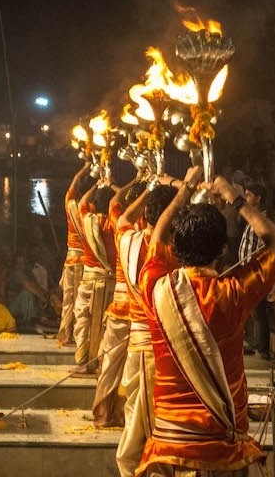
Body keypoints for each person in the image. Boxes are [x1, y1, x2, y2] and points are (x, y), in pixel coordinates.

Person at [136, 167, 275, 476]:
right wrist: (234, 198)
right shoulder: (233, 292)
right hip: (221, 449)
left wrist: (185, 189)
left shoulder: (155, 287)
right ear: (222, 248)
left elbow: (156, 235)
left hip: (169, 446)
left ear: (174, 248)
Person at [115, 182, 177, 477]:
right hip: (152, 347)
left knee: (138, 416)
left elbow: (124, 217)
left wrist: (149, 189)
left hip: (137, 343)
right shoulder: (163, 251)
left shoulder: (128, 239)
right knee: (150, 422)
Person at [92, 175, 144, 428]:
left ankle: (105, 415)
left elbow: (115, 200)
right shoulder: (151, 236)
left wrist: (130, 183)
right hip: (139, 312)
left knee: (111, 365)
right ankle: (122, 417)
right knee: (132, 370)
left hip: (121, 308)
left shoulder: (122, 229)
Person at [73, 177, 118, 376]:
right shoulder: (115, 224)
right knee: (104, 325)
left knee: (83, 321)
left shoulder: (87, 220)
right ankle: (100, 364)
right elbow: (120, 202)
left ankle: (84, 363)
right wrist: (113, 186)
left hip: (90, 281)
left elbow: (82, 202)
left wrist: (96, 184)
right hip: (110, 282)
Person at [56, 163, 91, 346]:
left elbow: (72, 185)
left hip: (70, 259)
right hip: (79, 261)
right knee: (77, 300)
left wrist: (84, 167)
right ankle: (69, 335)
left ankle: (65, 334)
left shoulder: (70, 203)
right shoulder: (87, 211)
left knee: (69, 299)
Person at [238, 182, 272, 359]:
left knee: (258, 310)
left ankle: (263, 348)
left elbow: (262, 247)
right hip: (246, 268)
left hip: (254, 270)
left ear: (258, 198)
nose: (246, 198)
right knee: (250, 309)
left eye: (249, 195)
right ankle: (254, 341)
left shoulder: (261, 219)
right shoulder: (251, 217)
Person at [6, 254, 46, 331]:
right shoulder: (15, 273)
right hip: (13, 307)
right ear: (14, 265)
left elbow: (37, 287)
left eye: (22, 263)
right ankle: (28, 321)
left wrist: (44, 295)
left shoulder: (29, 274)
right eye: (18, 263)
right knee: (26, 293)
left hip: (27, 305)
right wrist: (42, 298)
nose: (20, 266)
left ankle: (39, 317)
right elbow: (28, 286)